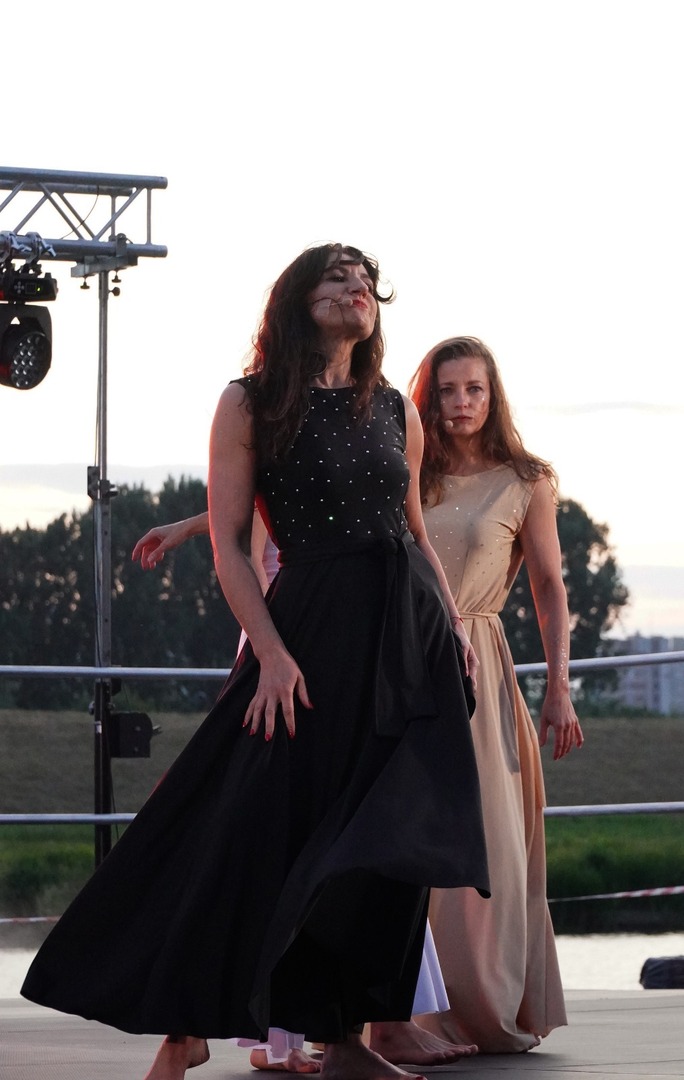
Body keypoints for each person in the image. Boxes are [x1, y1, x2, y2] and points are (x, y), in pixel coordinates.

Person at [21, 245, 489, 1080]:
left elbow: (413, 530)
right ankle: (186, 1026)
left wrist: (450, 627)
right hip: (309, 632)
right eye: (335, 277)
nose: (355, 288)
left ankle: (345, 1039)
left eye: (363, 280)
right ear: (298, 299)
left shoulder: (394, 408)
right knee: (251, 827)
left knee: (383, 841)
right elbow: (232, 545)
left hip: (405, 637)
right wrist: (270, 654)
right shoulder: (251, 402)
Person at [409, 336, 583, 1052]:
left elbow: (548, 586)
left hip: (477, 661)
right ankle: (400, 1013)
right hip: (402, 658)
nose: (460, 404)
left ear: (493, 394)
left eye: (473, 389)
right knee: (400, 835)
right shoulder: (405, 468)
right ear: (428, 397)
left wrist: (559, 688)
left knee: (487, 839)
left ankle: (480, 1006)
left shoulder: (525, 479)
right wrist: (197, 524)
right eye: (447, 390)